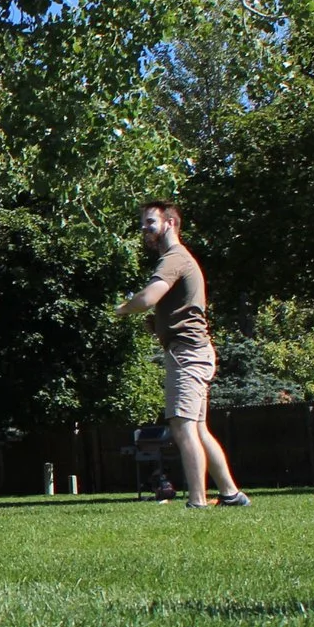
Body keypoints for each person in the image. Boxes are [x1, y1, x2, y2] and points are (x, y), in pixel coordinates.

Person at [115, 202, 249, 509]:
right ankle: (231, 493)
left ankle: (197, 500)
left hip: (187, 353)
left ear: (171, 222)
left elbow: (148, 297)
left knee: (182, 424)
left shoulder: (174, 258)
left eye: (150, 222)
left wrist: (123, 309)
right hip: (192, 351)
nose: (144, 229)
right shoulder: (179, 259)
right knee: (197, 427)